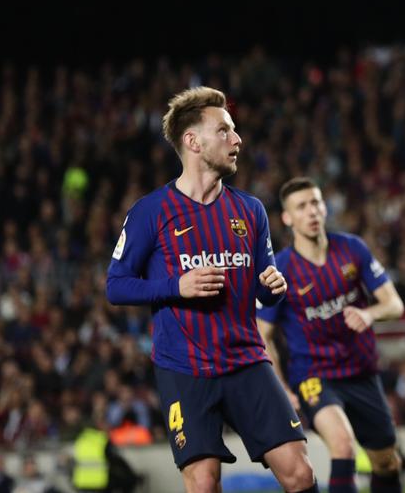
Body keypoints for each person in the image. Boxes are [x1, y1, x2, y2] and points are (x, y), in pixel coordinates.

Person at [106, 87, 317, 493]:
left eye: (234, 131)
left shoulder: (250, 210)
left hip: (246, 361)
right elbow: (116, 286)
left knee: (300, 473)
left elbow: (266, 287)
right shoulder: (151, 211)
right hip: (184, 368)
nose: (236, 140)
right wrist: (176, 286)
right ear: (193, 141)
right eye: (224, 131)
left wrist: (274, 287)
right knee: (203, 483)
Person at [257, 177, 405, 493]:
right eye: (301, 206)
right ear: (287, 218)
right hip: (313, 375)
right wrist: (281, 387)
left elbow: (393, 303)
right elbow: (263, 334)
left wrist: (369, 313)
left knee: (387, 462)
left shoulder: (352, 248)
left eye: (315, 203)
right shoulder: (281, 268)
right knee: (343, 445)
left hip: (362, 373)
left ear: (324, 208)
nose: (311, 211)